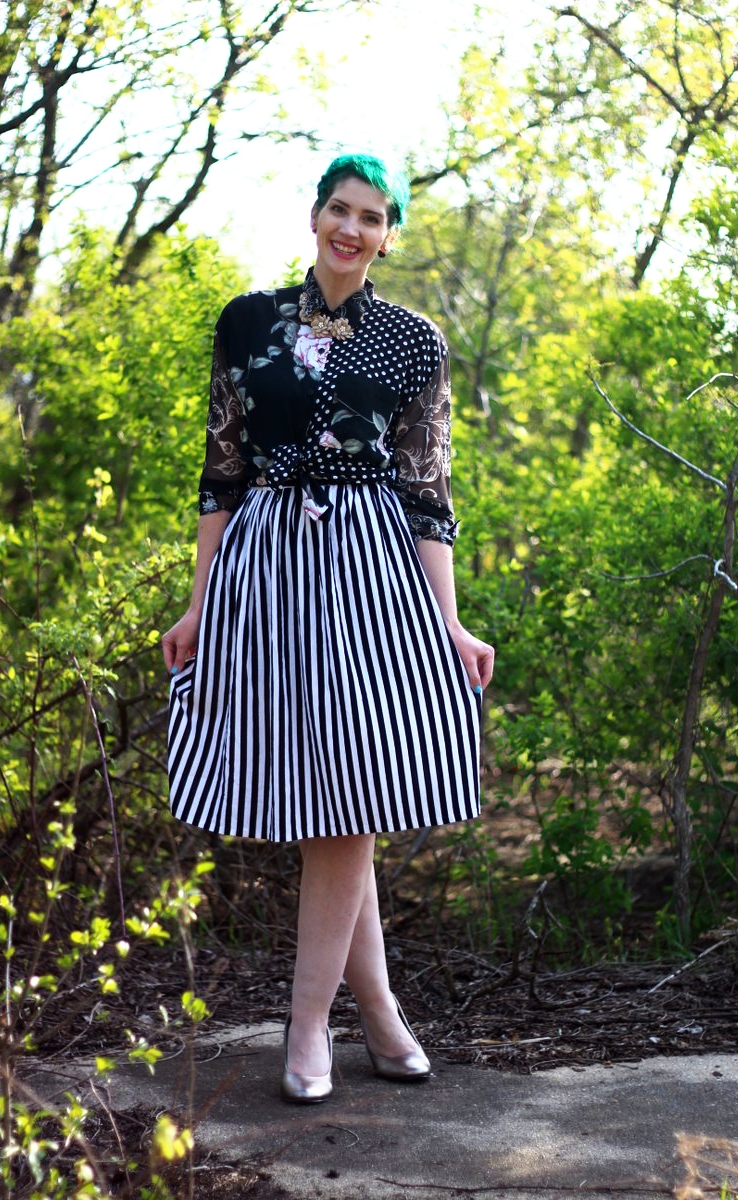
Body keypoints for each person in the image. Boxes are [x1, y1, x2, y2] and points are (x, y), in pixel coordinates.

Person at [162, 153, 495, 1103]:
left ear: (389, 235)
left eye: (373, 217)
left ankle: (309, 1028)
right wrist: (196, 603)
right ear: (315, 217)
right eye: (341, 210)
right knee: (328, 805)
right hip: (266, 570)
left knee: (352, 798)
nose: (353, 229)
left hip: (372, 569)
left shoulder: (413, 339)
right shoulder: (247, 321)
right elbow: (221, 473)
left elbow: (430, 495)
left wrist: (452, 620)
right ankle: (382, 1017)